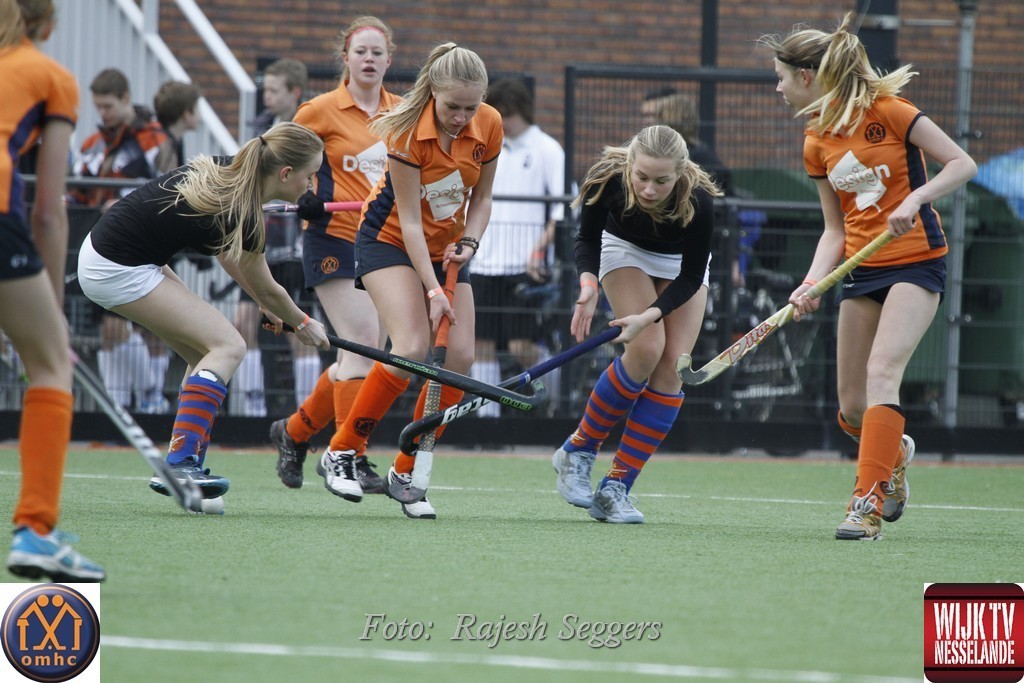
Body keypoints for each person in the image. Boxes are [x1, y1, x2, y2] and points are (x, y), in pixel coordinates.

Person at [762, 13, 977, 540]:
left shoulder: (891, 111)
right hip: (862, 267)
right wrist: (812, 282)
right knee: (853, 408)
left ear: (807, 76)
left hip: (915, 260)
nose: (778, 87)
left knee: (883, 373)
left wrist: (916, 198)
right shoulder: (816, 140)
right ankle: (895, 453)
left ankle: (866, 506)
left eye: (782, 77)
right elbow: (834, 229)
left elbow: (961, 163)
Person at [76, 122, 330, 510]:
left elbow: (230, 254)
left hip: (114, 255)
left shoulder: (233, 176)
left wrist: (265, 304)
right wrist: (304, 324)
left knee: (203, 354)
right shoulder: (243, 209)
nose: (312, 185)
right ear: (285, 174)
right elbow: (270, 289)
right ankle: (180, 464)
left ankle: (189, 467)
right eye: (310, 175)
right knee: (229, 346)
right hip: (118, 267)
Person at [316, 42, 502, 519]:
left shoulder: (489, 123)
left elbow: (482, 199)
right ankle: (342, 450)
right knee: (412, 346)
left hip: (449, 246)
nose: (462, 117)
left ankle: (406, 470)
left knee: (459, 359)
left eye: (471, 107)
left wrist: (471, 242)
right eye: (453, 106)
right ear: (433, 93)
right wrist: (434, 291)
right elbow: (411, 223)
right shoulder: (405, 132)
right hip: (389, 239)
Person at [552, 125, 722, 524]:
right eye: (641, 177)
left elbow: (690, 277)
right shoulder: (608, 179)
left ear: (680, 173)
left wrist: (648, 316)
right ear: (630, 165)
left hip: (680, 268)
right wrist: (589, 284)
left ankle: (616, 487)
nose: (648, 189)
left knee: (672, 369)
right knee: (645, 349)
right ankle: (578, 449)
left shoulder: (698, 199)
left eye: (662, 181)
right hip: (623, 250)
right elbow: (587, 238)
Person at [270, 16, 402, 493]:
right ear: (345, 58)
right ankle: (350, 455)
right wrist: (304, 189)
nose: (368, 59)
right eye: (360, 51)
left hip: (382, 243)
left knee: (360, 357)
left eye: (377, 52)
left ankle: (294, 432)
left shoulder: (402, 112)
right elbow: (279, 159)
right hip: (332, 238)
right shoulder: (319, 110)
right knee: (362, 343)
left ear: (389, 60)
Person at [1, 0, 105, 581]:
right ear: (48, 24)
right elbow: (48, 211)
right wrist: (52, 307)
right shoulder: (50, 76)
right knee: (48, 365)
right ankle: (35, 530)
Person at [73, 67, 172, 414]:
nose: (103, 113)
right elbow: (78, 192)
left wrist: (124, 203)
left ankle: (151, 402)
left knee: (153, 329)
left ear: (126, 98)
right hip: (99, 247)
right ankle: (119, 410)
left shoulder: (155, 140)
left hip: (147, 244)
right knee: (110, 329)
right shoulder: (93, 144)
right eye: (98, 107)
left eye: (108, 106)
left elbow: (168, 188)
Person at [470, 78, 565, 417]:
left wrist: (539, 250)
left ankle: (559, 401)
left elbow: (562, 209)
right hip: (482, 263)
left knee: (520, 345)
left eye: (507, 114)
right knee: (480, 345)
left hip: (524, 269)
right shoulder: (482, 147)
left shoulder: (547, 149)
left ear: (522, 111)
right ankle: (487, 422)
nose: (503, 123)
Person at [233, 57, 314, 418]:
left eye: (274, 91)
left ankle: (306, 413)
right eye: (264, 90)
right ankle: (253, 409)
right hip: (262, 241)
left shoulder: (306, 132)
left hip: (297, 250)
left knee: (302, 329)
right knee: (243, 322)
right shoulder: (261, 130)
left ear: (294, 92)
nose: (266, 97)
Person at [153, 79, 202, 169]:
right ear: (186, 114)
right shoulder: (166, 148)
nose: (200, 115)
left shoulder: (171, 140)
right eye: (197, 108)